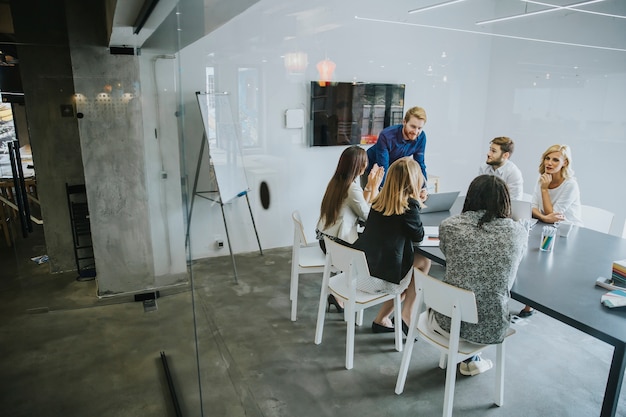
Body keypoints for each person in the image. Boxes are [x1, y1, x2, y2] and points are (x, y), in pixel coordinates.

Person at [427, 175, 528, 376]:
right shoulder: (517, 232)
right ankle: (471, 359)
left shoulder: (450, 225)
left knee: (464, 285)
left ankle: (469, 358)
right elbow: (514, 263)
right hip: (490, 325)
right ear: (505, 201)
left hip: (446, 318)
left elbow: (448, 255)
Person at [351, 157, 431, 334]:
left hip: (361, 272)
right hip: (379, 279)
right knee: (423, 262)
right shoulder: (409, 206)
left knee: (408, 276)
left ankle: (382, 320)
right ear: (414, 181)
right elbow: (418, 237)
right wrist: (416, 202)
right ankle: (406, 315)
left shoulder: (378, 200)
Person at [316, 145, 384, 312]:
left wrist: (369, 187)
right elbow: (368, 216)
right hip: (339, 245)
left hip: (326, 241)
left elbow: (360, 206)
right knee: (376, 250)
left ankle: (338, 296)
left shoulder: (337, 182)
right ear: (358, 165)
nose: (367, 166)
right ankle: (356, 291)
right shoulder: (351, 187)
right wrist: (374, 187)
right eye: (365, 163)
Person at [519, 144, 583, 317]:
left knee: (539, 260)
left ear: (565, 163)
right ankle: (530, 300)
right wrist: (545, 217)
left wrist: (545, 192)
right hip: (544, 226)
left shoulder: (570, 185)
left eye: (555, 159)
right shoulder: (543, 178)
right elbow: (532, 207)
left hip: (566, 233)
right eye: (548, 158)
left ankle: (530, 304)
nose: (550, 162)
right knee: (527, 254)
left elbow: (552, 213)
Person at [363, 106, 429, 200]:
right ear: (404, 122)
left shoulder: (421, 137)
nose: (415, 132)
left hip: (394, 169)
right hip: (373, 168)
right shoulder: (386, 135)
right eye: (413, 127)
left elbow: (420, 164)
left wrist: (423, 188)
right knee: (371, 202)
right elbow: (383, 167)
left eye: (419, 128)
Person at [478, 136, 524, 201]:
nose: (488, 154)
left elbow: (514, 202)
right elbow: (479, 194)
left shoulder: (513, 173)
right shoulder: (484, 167)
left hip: (504, 209)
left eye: (493, 151)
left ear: (505, 155)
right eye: (490, 149)